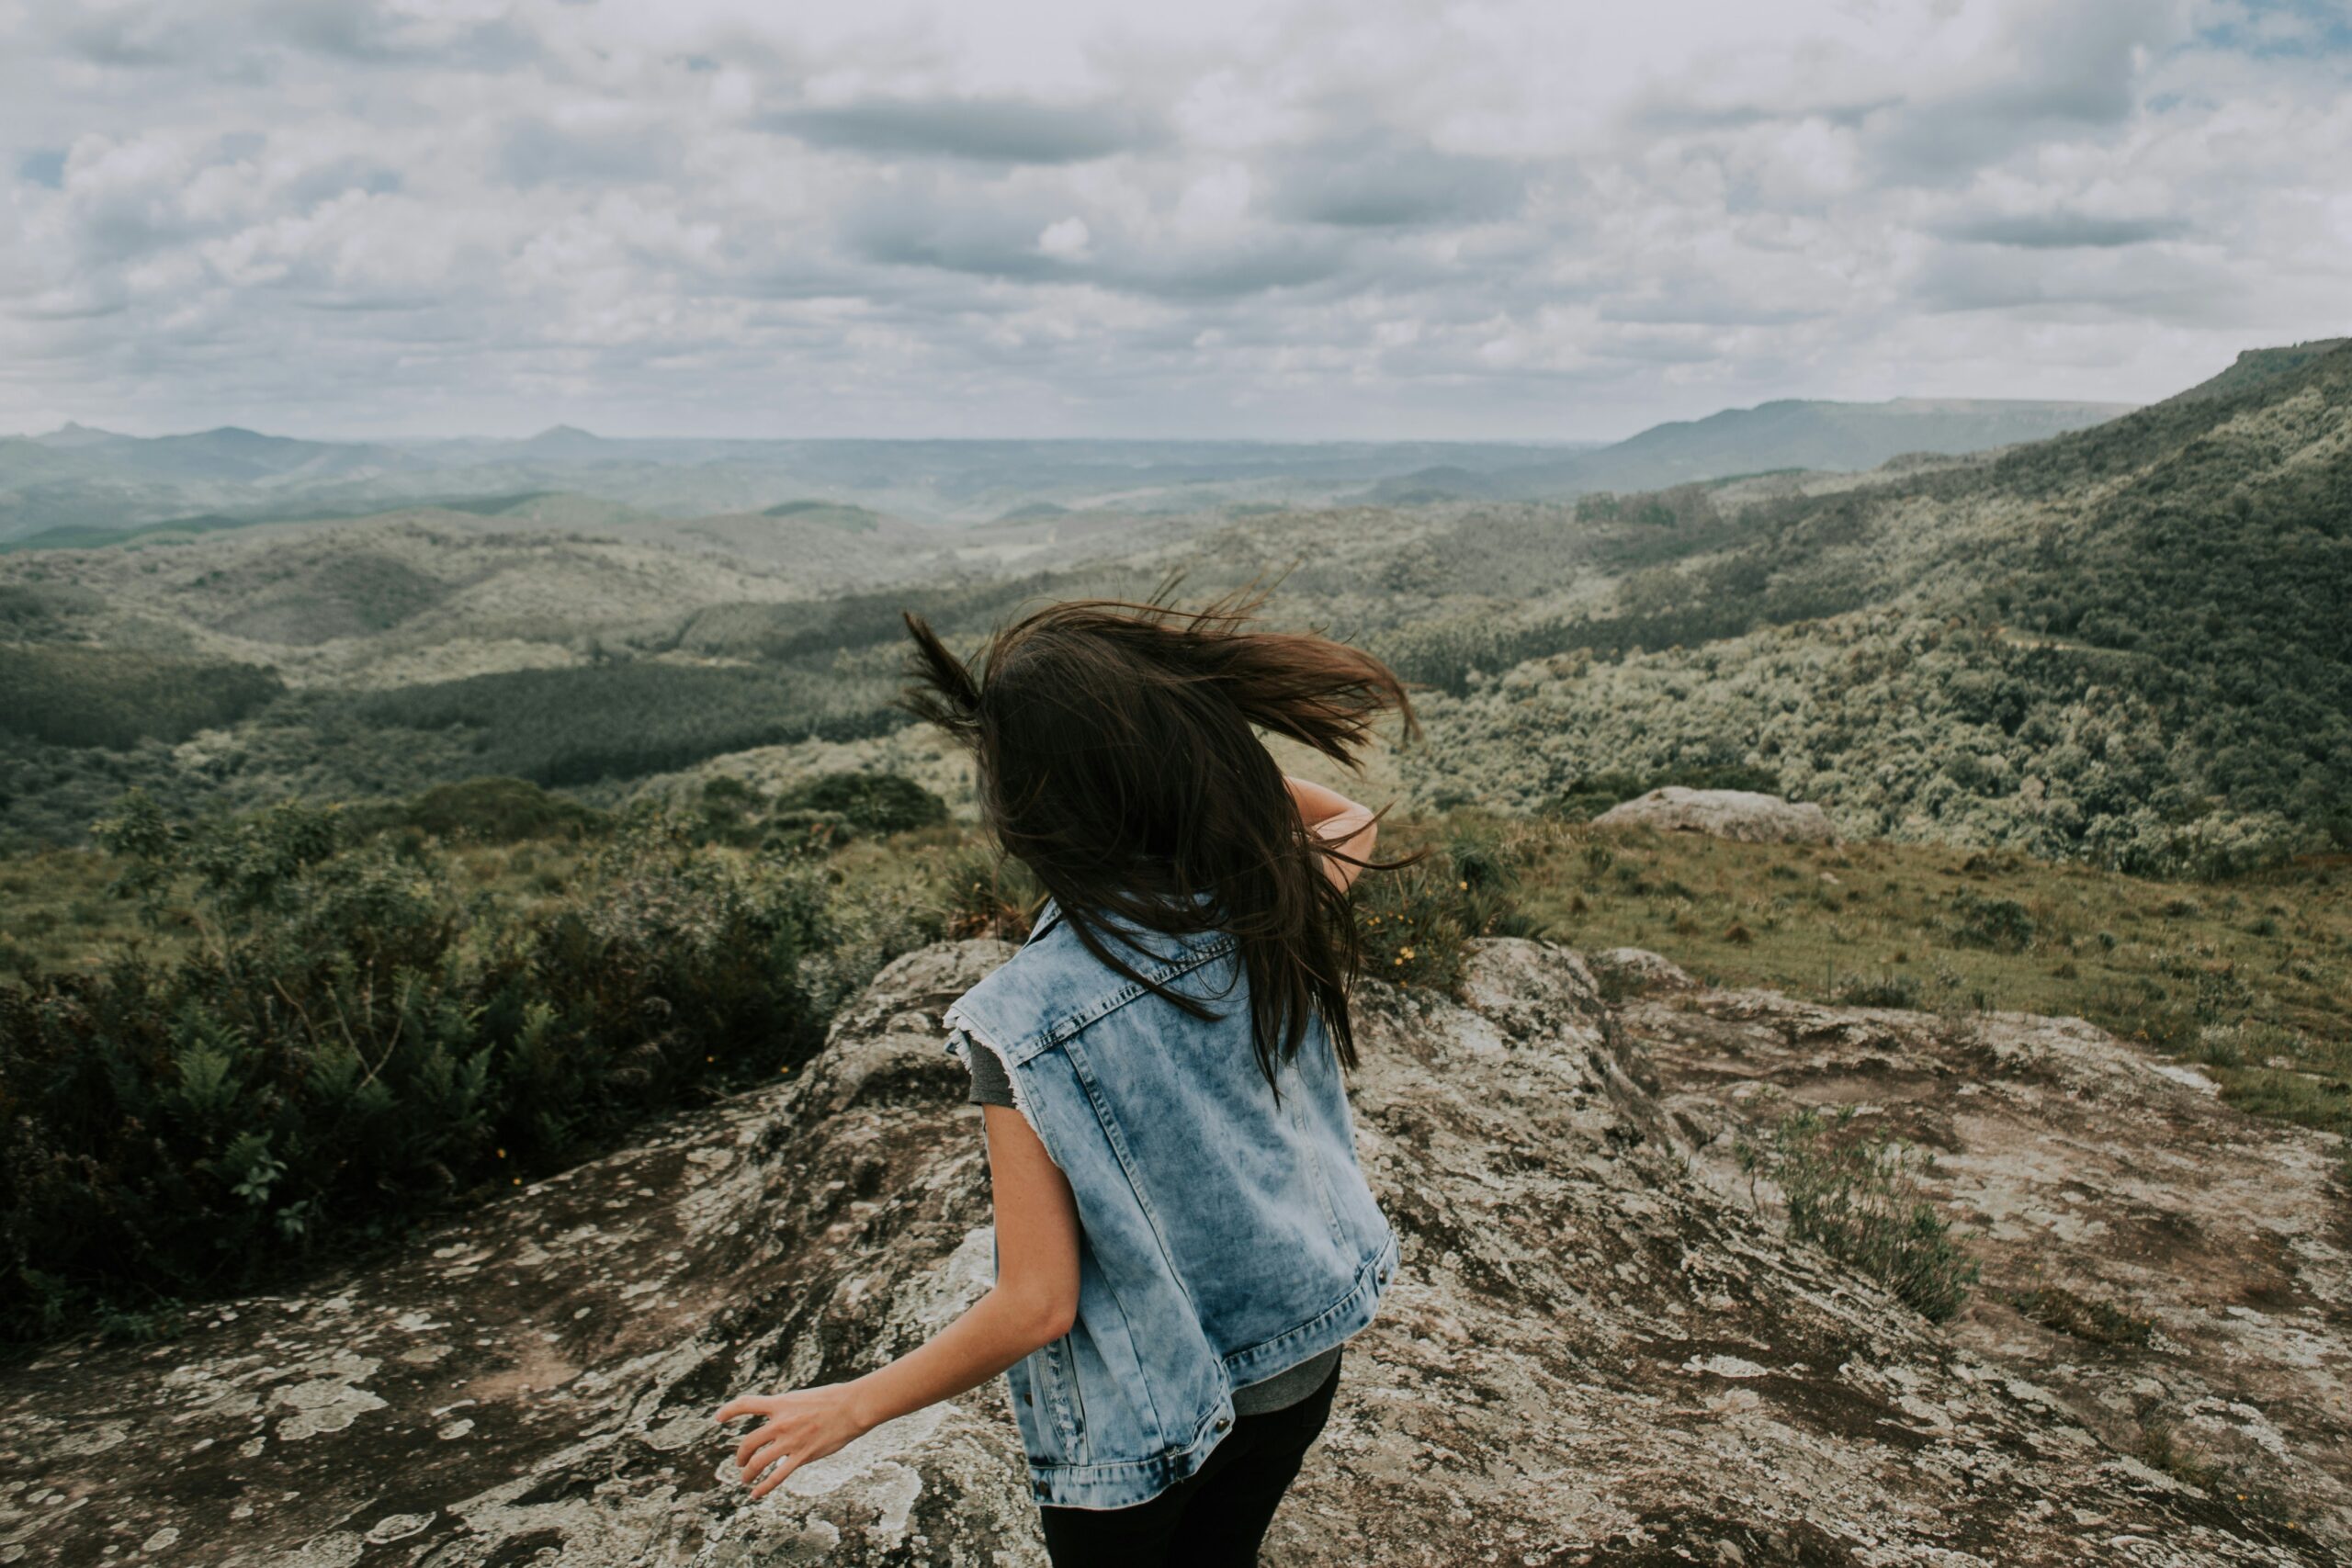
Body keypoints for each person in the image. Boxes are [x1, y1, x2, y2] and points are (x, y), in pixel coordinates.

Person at [715, 592, 1418, 1567]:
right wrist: (1210, 772)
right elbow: (1346, 816)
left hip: (1148, 1422)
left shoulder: (1021, 1022)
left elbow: (1037, 1303)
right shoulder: (1263, 900)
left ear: (1033, 807)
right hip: (1301, 1362)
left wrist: (853, 1403)